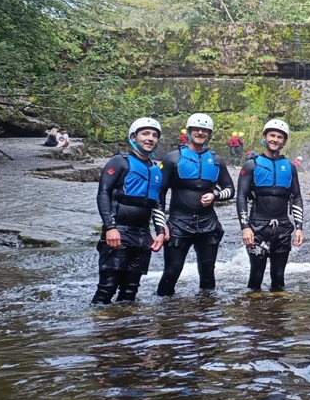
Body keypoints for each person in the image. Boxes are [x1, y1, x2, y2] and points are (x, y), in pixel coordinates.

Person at [156, 113, 235, 296]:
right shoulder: (172, 158)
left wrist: (215, 195)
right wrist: (161, 225)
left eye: (204, 130)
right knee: (171, 272)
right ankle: (164, 310)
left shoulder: (217, 161)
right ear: (189, 131)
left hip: (208, 223)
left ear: (209, 134)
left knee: (208, 273)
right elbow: (159, 194)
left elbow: (230, 190)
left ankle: (206, 310)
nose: (200, 133)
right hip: (178, 223)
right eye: (196, 129)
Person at [92, 117, 167, 304]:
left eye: (154, 135)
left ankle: (126, 322)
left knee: (130, 291)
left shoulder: (156, 170)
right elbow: (103, 193)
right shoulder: (119, 162)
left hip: (143, 236)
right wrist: (110, 227)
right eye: (145, 134)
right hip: (119, 231)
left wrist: (160, 232)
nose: (150, 138)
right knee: (107, 287)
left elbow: (157, 203)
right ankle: (99, 321)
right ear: (133, 137)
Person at [237, 119, 304, 292]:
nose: (275, 139)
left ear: (284, 140)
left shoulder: (290, 167)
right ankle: (253, 306)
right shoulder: (251, 165)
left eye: (279, 137)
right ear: (265, 137)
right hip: (257, 227)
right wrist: (245, 227)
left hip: (283, 227)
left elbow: (296, 197)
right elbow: (241, 196)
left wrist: (299, 227)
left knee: (279, 277)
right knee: (256, 275)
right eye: (272, 135)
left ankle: (277, 308)